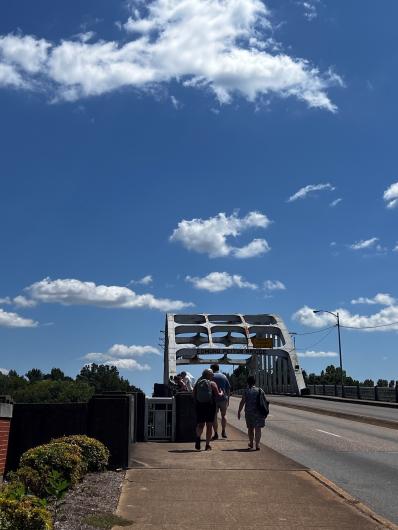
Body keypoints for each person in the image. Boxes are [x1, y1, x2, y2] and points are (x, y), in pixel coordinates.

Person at [193, 368, 224, 451]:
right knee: (209, 425)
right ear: (208, 375)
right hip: (210, 405)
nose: (213, 375)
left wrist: (197, 403)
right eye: (212, 374)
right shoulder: (212, 383)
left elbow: (193, 394)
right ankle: (207, 445)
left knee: (200, 424)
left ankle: (198, 438)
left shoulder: (198, 383)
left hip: (200, 406)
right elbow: (218, 395)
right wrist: (221, 392)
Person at [237, 375, 267, 450]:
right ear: (255, 382)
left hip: (249, 412)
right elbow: (265, 402)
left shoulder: (246, 391)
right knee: (258, 428)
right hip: (259, 413)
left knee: (250, 428)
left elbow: (242, 402)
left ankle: (251, 443)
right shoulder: (260, 390)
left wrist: (239, 411)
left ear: (247, 382)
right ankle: (257, 444)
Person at [210, 363, 230, 440]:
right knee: (224, 415)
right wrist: (228, 399)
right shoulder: (224, 376)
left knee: (214, 416)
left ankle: (215, 433)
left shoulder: (211, 376)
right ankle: (223, 431)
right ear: (218, 368)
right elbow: (228, 388)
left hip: (213, 399)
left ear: (212, 369)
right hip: (223, 398)